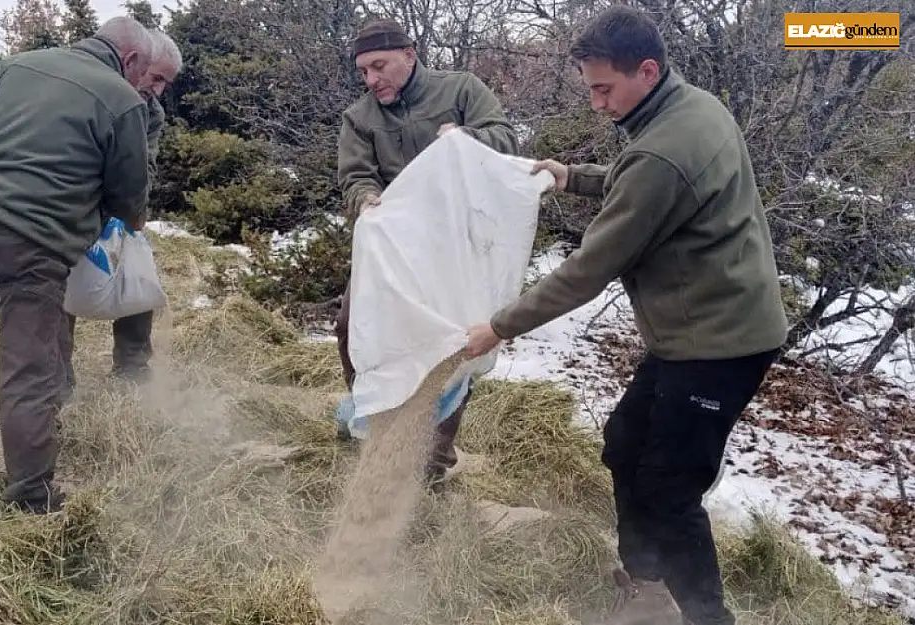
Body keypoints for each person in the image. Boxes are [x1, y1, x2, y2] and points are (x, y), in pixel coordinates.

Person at [464, 6, 788, 625]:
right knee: (624, 445)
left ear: (646, 69)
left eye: (603, 88)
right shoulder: (692, 108)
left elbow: (591, 265)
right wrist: (574, 176)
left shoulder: (662, 149)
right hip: (698, 330)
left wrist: (498, 326)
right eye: (589, 88)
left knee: (671, 490)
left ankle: (704, 618)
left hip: (718, 345)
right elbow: (645, 180)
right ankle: (646, 583)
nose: (595, 103)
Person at [0, 16, 155, 515]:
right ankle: (32, 499)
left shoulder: (16, 66)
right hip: (32, 240)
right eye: (142, 73)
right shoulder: (121, 98)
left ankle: (52, 417)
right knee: (29, 368)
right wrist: (117, 225)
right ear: (129, 61)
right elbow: (129, 198)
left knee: (39, 337)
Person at [334, 17, 519, 487]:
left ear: (410, 54)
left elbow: (504, 138)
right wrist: (365, 200)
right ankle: (376, 423)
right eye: (363, 71)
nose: (371, 79)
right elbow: (354, 174)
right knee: (350, 323)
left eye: (379, 66)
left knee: (453, 345)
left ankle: (432, 461)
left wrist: (463, 139)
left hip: (456, 247)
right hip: (394, 250)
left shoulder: (460, 90)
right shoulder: (360, 118)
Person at [64, 28, 184, 384]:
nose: (157, 89)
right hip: (70, 200)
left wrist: (129, 214)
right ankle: (56, 376)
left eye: (166, 83)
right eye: (156, 77)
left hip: (117, 200)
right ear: (136, 62)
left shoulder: (152, 112)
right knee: (58, 283)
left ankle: (132, 370)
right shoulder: (89, 87)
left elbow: (144, 166)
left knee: (138, 275)